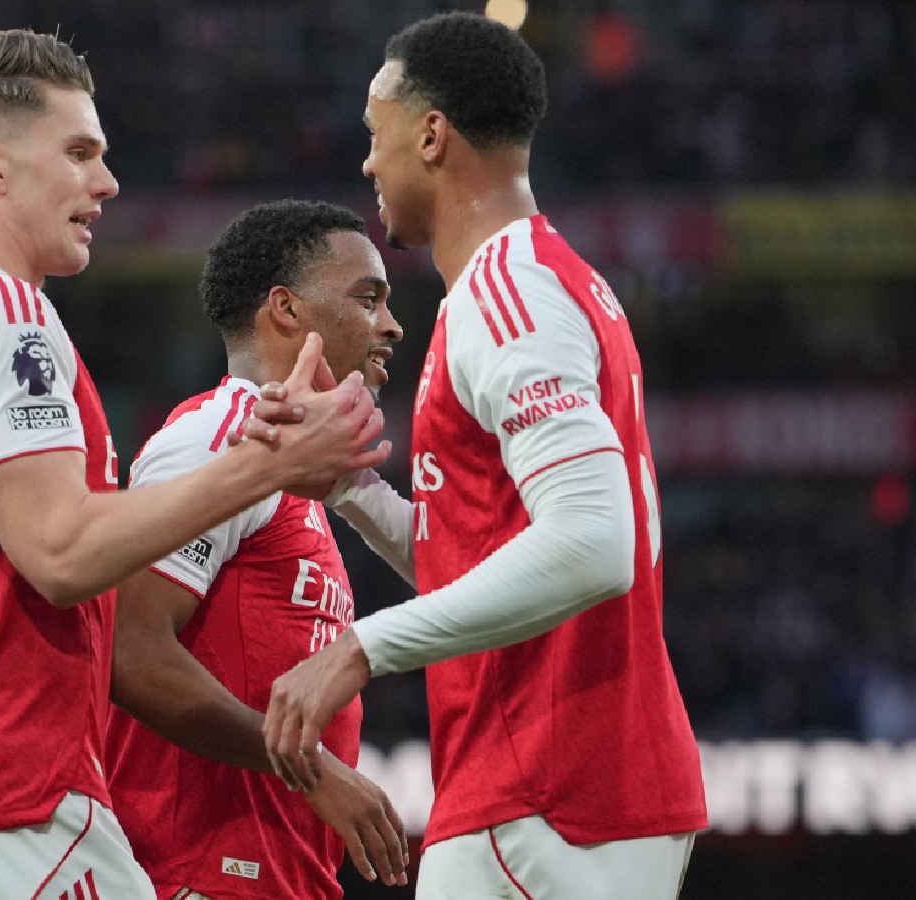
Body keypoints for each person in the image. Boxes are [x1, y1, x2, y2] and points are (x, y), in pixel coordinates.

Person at [0, 29, 391, 900]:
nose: (106, 181)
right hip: (4, 794)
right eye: (80, 152)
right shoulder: (3, 314)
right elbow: (60, 556)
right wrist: (268, 465)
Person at [248, 13, 708, 899]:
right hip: (560, 790)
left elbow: (592, 544)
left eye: (375, 136)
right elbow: (489, 561)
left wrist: (361, 648)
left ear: (431, 135)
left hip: (550, 793)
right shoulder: (539, 282)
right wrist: (348, 486)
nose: (367, 165)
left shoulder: (507, 292)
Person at [106, 199, 409, 900]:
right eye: (368, 298)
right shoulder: (221, 438)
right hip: (192, 872)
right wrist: (311, 767)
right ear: (286, 310)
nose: (391, 325)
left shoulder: (295, 475)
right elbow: (132, 649)